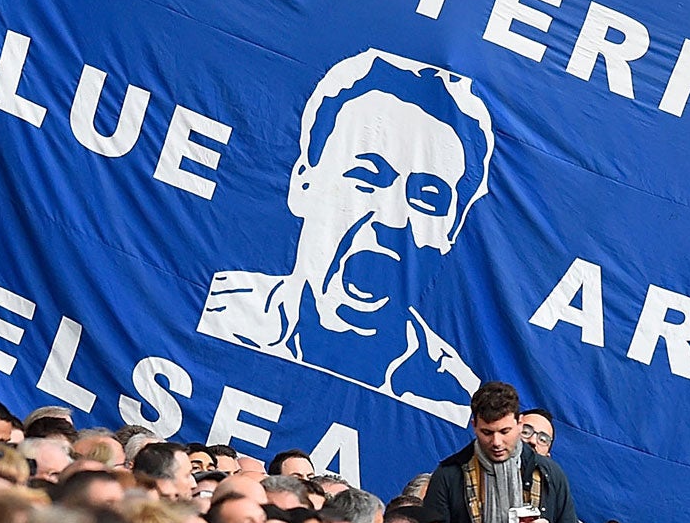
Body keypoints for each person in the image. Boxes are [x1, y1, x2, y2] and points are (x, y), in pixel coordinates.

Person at [199, 50, 493, 422]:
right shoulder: (218, 312)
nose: (393, 217)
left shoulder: (455, 402)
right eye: (367, 176)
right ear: (304, 182)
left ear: (451, 230)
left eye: (427, 198)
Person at [416, 381, 586, 523]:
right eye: (487, 433)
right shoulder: (449, 473)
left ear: (520, 424)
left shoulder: (549, 472)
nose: (496, 442)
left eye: (505, 431)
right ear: (474, 426)